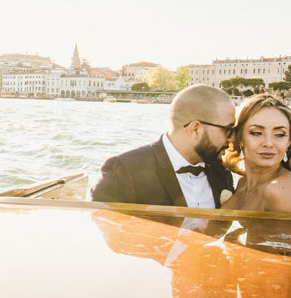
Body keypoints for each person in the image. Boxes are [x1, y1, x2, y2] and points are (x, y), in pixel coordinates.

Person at [88, 84, 235, 207]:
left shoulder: (221, 171)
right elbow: (100, 233)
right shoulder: (123, 171)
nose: (233, 138)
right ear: (195, 129)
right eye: (228, 130)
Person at [221, 94, 291, 215]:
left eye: (280, 134)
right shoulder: (243, 183)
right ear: (239, 137)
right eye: (257, 133)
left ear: (289, 141)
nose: (268, 143)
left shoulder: (281, 190)